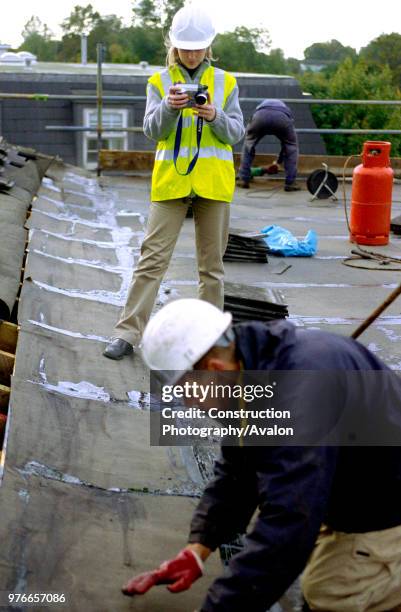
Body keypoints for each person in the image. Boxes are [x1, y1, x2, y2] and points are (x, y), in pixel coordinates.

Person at [122, 298, 401, 612]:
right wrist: (197, 550)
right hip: (353, 477)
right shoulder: (250, 363)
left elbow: (287, 525)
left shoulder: (298, 392)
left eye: (187, 393)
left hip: (388, 501)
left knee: (333, 592)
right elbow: (238, 472)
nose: (189, 404)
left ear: (213, 370)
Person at [103, 5, 244, 360]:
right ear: (174, 45)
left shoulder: (226, 83)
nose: (193, 53)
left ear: (209, 46)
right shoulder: (159, 82)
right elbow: (152, 131)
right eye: (186, 46)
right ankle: (127, 333)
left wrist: (215, 115)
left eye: (198, 47)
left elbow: (237, 134)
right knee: (151, 261)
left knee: (212, 268)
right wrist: (168, 106)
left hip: (213, 185)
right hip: (170, 185)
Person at [237, 99, 300, 192]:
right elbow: (285, 148)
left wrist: (278, 162)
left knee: (248, 145)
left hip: (260, 116)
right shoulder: (285, 109)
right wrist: (279, 161)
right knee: (291, 147)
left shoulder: (261, 106)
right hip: (282, 118)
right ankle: (290, 183)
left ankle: (243, 179)